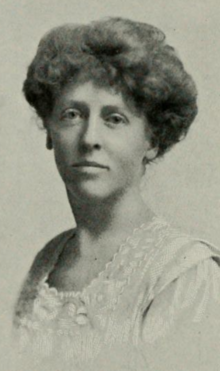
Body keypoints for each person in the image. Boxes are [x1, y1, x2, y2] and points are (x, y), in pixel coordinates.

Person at [13, 17, 220, 371]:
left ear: (152, 141)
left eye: (114, 119)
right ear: (49, 131)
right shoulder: (46, 261)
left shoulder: (183, 274)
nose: (89, 138)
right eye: (72, 114)